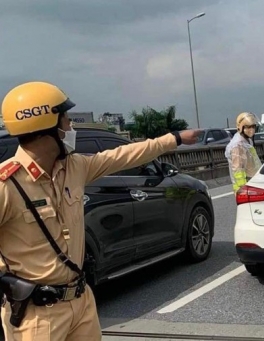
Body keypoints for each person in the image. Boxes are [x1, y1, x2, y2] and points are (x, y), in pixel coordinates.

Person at [0, 81, 201, 341]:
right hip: (36, 315)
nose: (70, 127)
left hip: (81, 302)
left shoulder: (74, 167)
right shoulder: (7, 184)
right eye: (66, 120)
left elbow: (123, 155)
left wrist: (173, 139)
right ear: (46, 126)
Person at [225, 112, 262, 193]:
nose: (251, 130)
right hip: (245, 187)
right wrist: (244, 188)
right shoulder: (237, 145)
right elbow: (238, 169)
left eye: (253, 126)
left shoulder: (246, 141)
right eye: (248, 127)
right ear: (241, 128)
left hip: (252, 182)